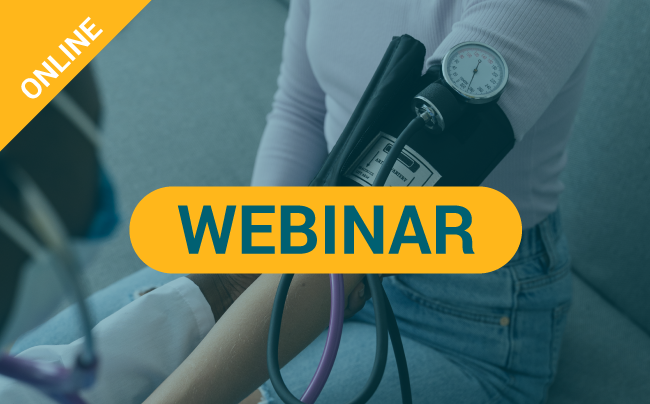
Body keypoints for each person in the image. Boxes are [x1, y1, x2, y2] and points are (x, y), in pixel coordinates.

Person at [141, 0, 610, 403]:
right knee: (99, 354)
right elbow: (302, 109)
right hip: (312, 239)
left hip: (465, 321)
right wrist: (247, 260)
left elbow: (369, 222)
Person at [0, 66, 372, 404]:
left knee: (35, 348)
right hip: (334, 252)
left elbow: (301, 107)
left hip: (364, 278)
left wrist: (218, 289)